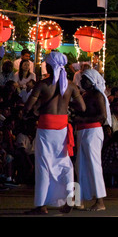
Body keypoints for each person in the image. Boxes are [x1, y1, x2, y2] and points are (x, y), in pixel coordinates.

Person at [23, 52, 86, 215]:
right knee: (64, 163)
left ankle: (41, 205)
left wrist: (32, 109)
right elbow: (82, 107)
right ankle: (71, 198)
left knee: (44, 165)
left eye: (46, 63)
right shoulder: (71, 85)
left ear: (50, 66)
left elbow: (29, 106)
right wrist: (67, 104)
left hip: (46, 127)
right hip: (62, 127)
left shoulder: (43, 84)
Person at [72, 69, 110, 211]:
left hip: (92, 131)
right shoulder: (85, 95)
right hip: (82, 131)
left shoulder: (97, 95)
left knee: (94, 165)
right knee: (79, 165)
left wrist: (82, 119)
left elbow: (102, 116)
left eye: (85, 79)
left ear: (92, 81)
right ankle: (79, 200)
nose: (82, 81)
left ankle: (100, 201)